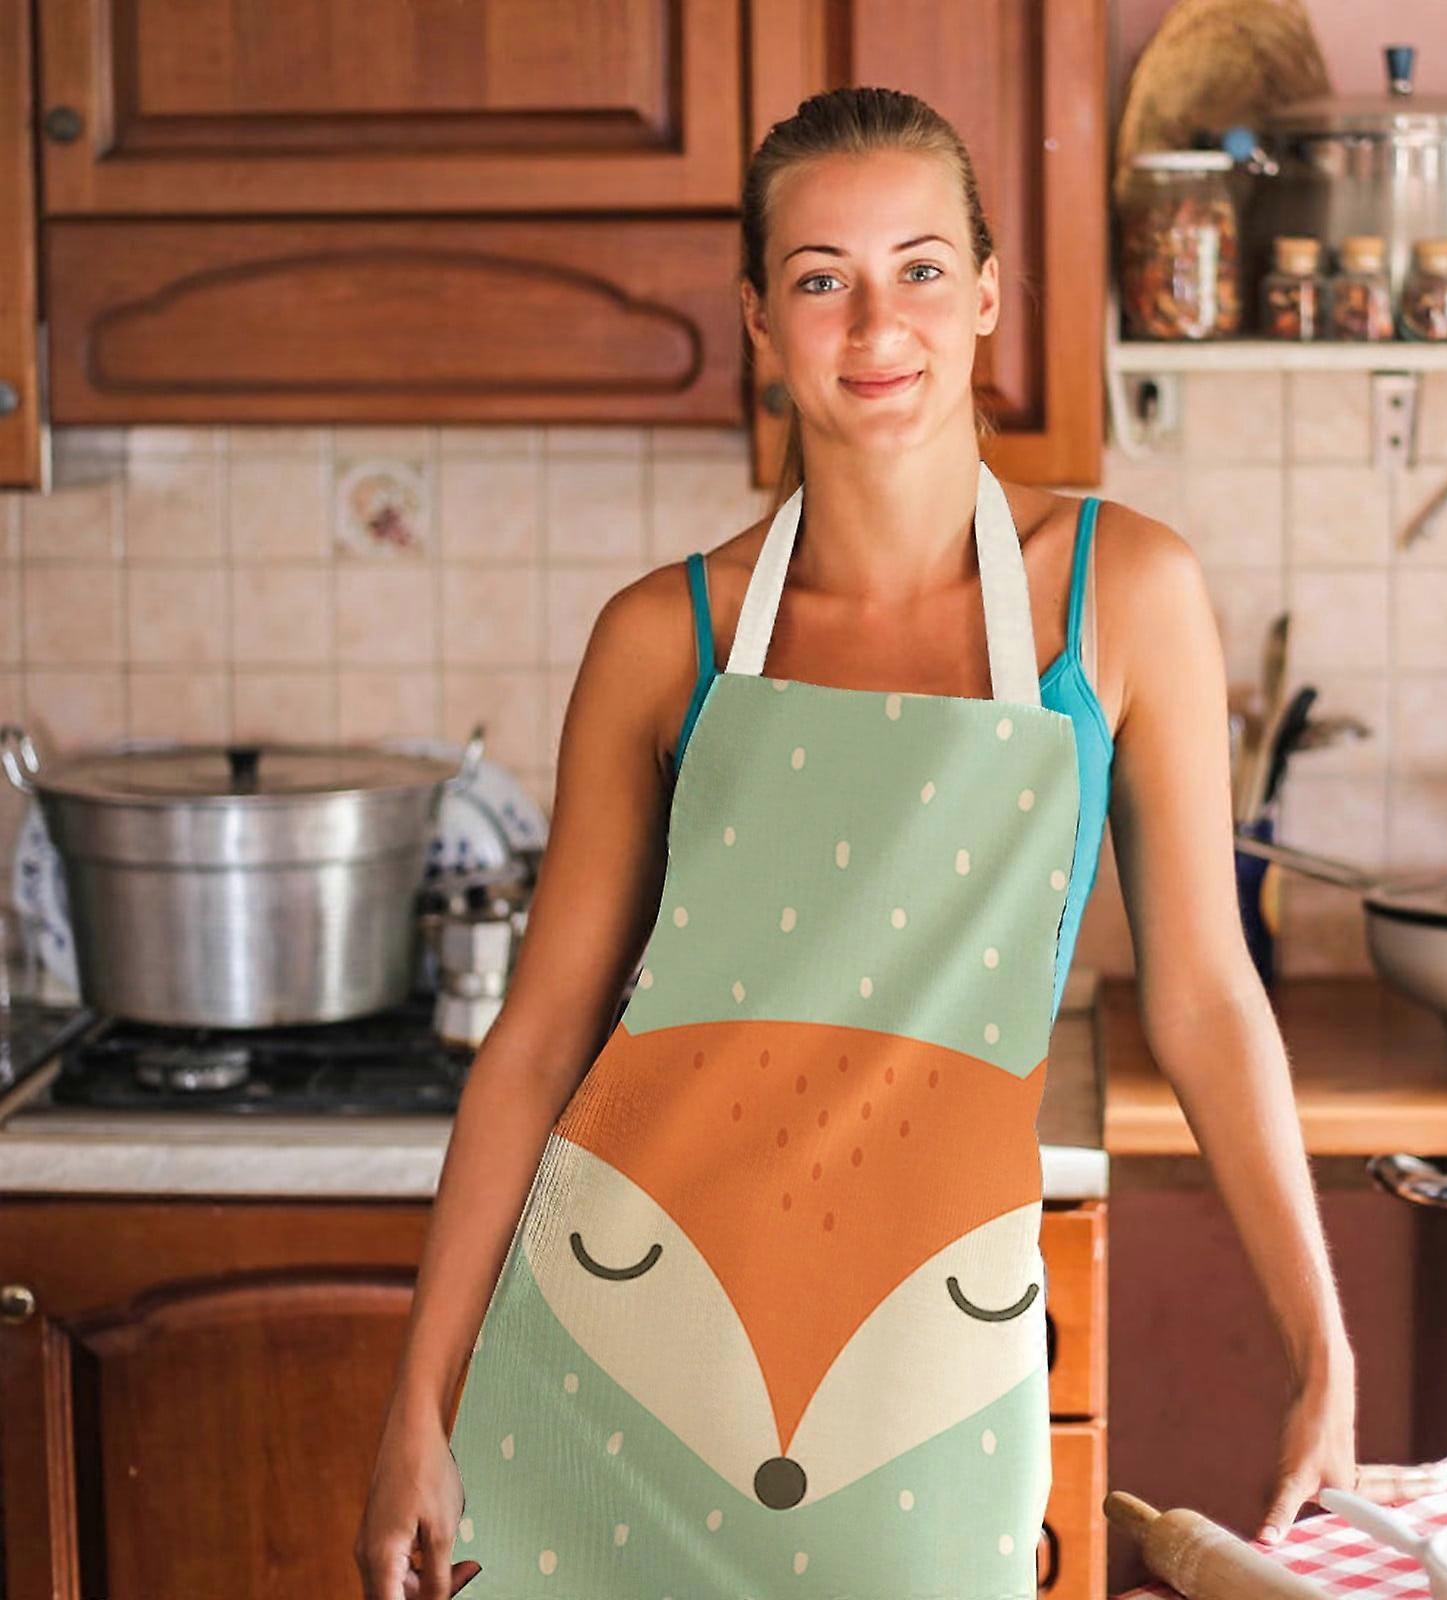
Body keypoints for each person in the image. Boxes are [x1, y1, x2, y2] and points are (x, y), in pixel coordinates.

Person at [355, 85, 1357, 1600]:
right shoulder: (665, 637)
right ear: (761, 321)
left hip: (923, 1380)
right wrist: (417, 1409)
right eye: (823, 279)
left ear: (990, 296)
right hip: (604, 1356)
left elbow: (1209, 999)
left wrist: (1321, 1352)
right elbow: (541, 1038)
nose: (879, 324)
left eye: (921, 269)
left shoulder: (1124, 594)